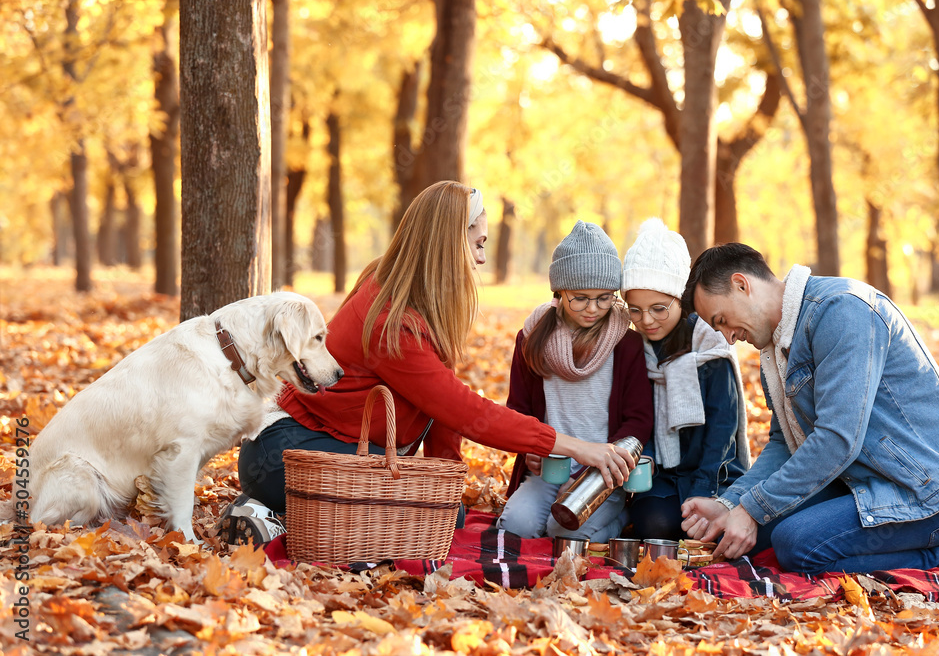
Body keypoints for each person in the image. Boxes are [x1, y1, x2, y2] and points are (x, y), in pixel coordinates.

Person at [217, 182, 636, 545]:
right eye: (478, 244)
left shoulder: (417, 298)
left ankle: (283, 512)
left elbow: (441, 409)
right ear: (448, 243)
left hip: (350, 451)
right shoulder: (389, 318)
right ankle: (274, 519)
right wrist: (576, 447)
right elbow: (465, 410)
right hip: (298, 452)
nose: (482, 258)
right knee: (408, 522)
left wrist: (446, 485)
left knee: (440, 518)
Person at [679, 243, 939, 574]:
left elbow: (837, 439)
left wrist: (753, 509)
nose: (727, 338)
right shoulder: (776, 344)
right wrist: (731, 504)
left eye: (722, 320)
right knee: (754, 538)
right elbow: (784, 443)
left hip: (929, 492)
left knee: (795, 544)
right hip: (863, 479)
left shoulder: (841, 310)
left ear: (742, 285)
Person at [496, 221, 654, 543]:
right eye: (580, 298)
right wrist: (530, 450)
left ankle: (621, 516)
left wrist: (605, 466)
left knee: (565, 533)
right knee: (516, 526)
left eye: (604, 298)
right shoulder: (532, 339)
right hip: (550, 470)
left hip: (603, 476)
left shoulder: (626, 345)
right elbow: (519, 410)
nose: (593, 309)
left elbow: (638, 420)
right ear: (559, 292)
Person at [619, 219, 750, 541]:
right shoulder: (636, 347)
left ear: (681, 299)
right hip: (662, 472)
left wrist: (705, 489)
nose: (646, 320)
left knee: (708, 529)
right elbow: (636, 415)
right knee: (657, 528)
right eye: (635, 311)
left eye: (659, 308)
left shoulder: (709, 345)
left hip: (714, 470)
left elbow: (723, 427)